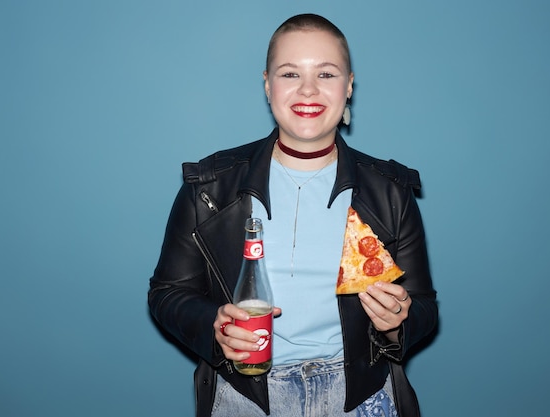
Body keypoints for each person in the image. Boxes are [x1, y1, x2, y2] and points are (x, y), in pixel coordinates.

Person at [149, 13, 438, 417]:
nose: (308, 89)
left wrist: (396, 323)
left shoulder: (391, 192)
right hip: (246, 397)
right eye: (289, 74)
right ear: (267, 84)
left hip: (359, 397)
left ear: (349, 85)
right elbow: (167, 294)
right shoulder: (208, 187)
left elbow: (424, 305)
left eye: (326, 73)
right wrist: (214, 326)